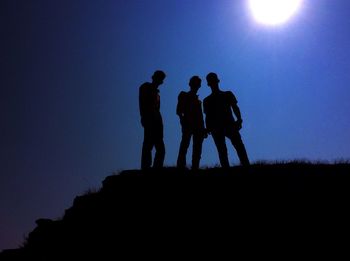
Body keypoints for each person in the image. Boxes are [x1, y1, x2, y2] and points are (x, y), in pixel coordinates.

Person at [203, 72, 250, 168]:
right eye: (212, 81)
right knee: (224, 150)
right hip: (219, 127)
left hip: (228, 125)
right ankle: (235, 167)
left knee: (237, 146)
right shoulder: (207, 100)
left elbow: (235, 107)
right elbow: (207, 116)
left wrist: (239, 119)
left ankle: (245, 166)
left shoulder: (226, 94)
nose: (213, 83)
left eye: (213, 81)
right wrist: (208, 128)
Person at [176, 76, 207, 170]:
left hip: (198, 127)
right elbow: (179, 111)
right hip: (188, 124)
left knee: (196, 148)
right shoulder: (183, 95)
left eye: (197, 84)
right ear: (190, 84)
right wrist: (183, 121)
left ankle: (195, 167)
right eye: (195, 83)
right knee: (185, 145)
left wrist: (203, 128)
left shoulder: (198, 101)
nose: (196, 86)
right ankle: (181, 166)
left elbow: (201, 116)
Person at [139, 70, 166, 170]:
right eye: (159, 78)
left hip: (157, 121)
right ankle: (146, 168)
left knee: (160, 148)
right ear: (154, 78)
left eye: (161, 79)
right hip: (149, 119)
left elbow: (157, 109)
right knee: (148, 145)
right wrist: (144, 117)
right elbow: (142, 103)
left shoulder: (158, 94)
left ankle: (156, 168)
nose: (160, 81)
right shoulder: (145, 87)